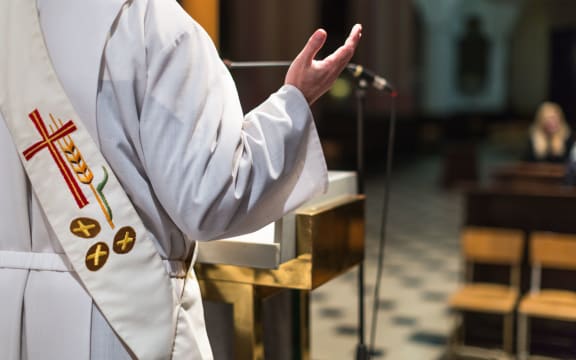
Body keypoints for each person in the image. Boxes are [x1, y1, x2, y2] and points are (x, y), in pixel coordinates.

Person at [0, 0, 362, 359]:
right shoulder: (151, 24)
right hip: (116, 319)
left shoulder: (10, 20)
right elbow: (210, 198)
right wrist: (295, 101)